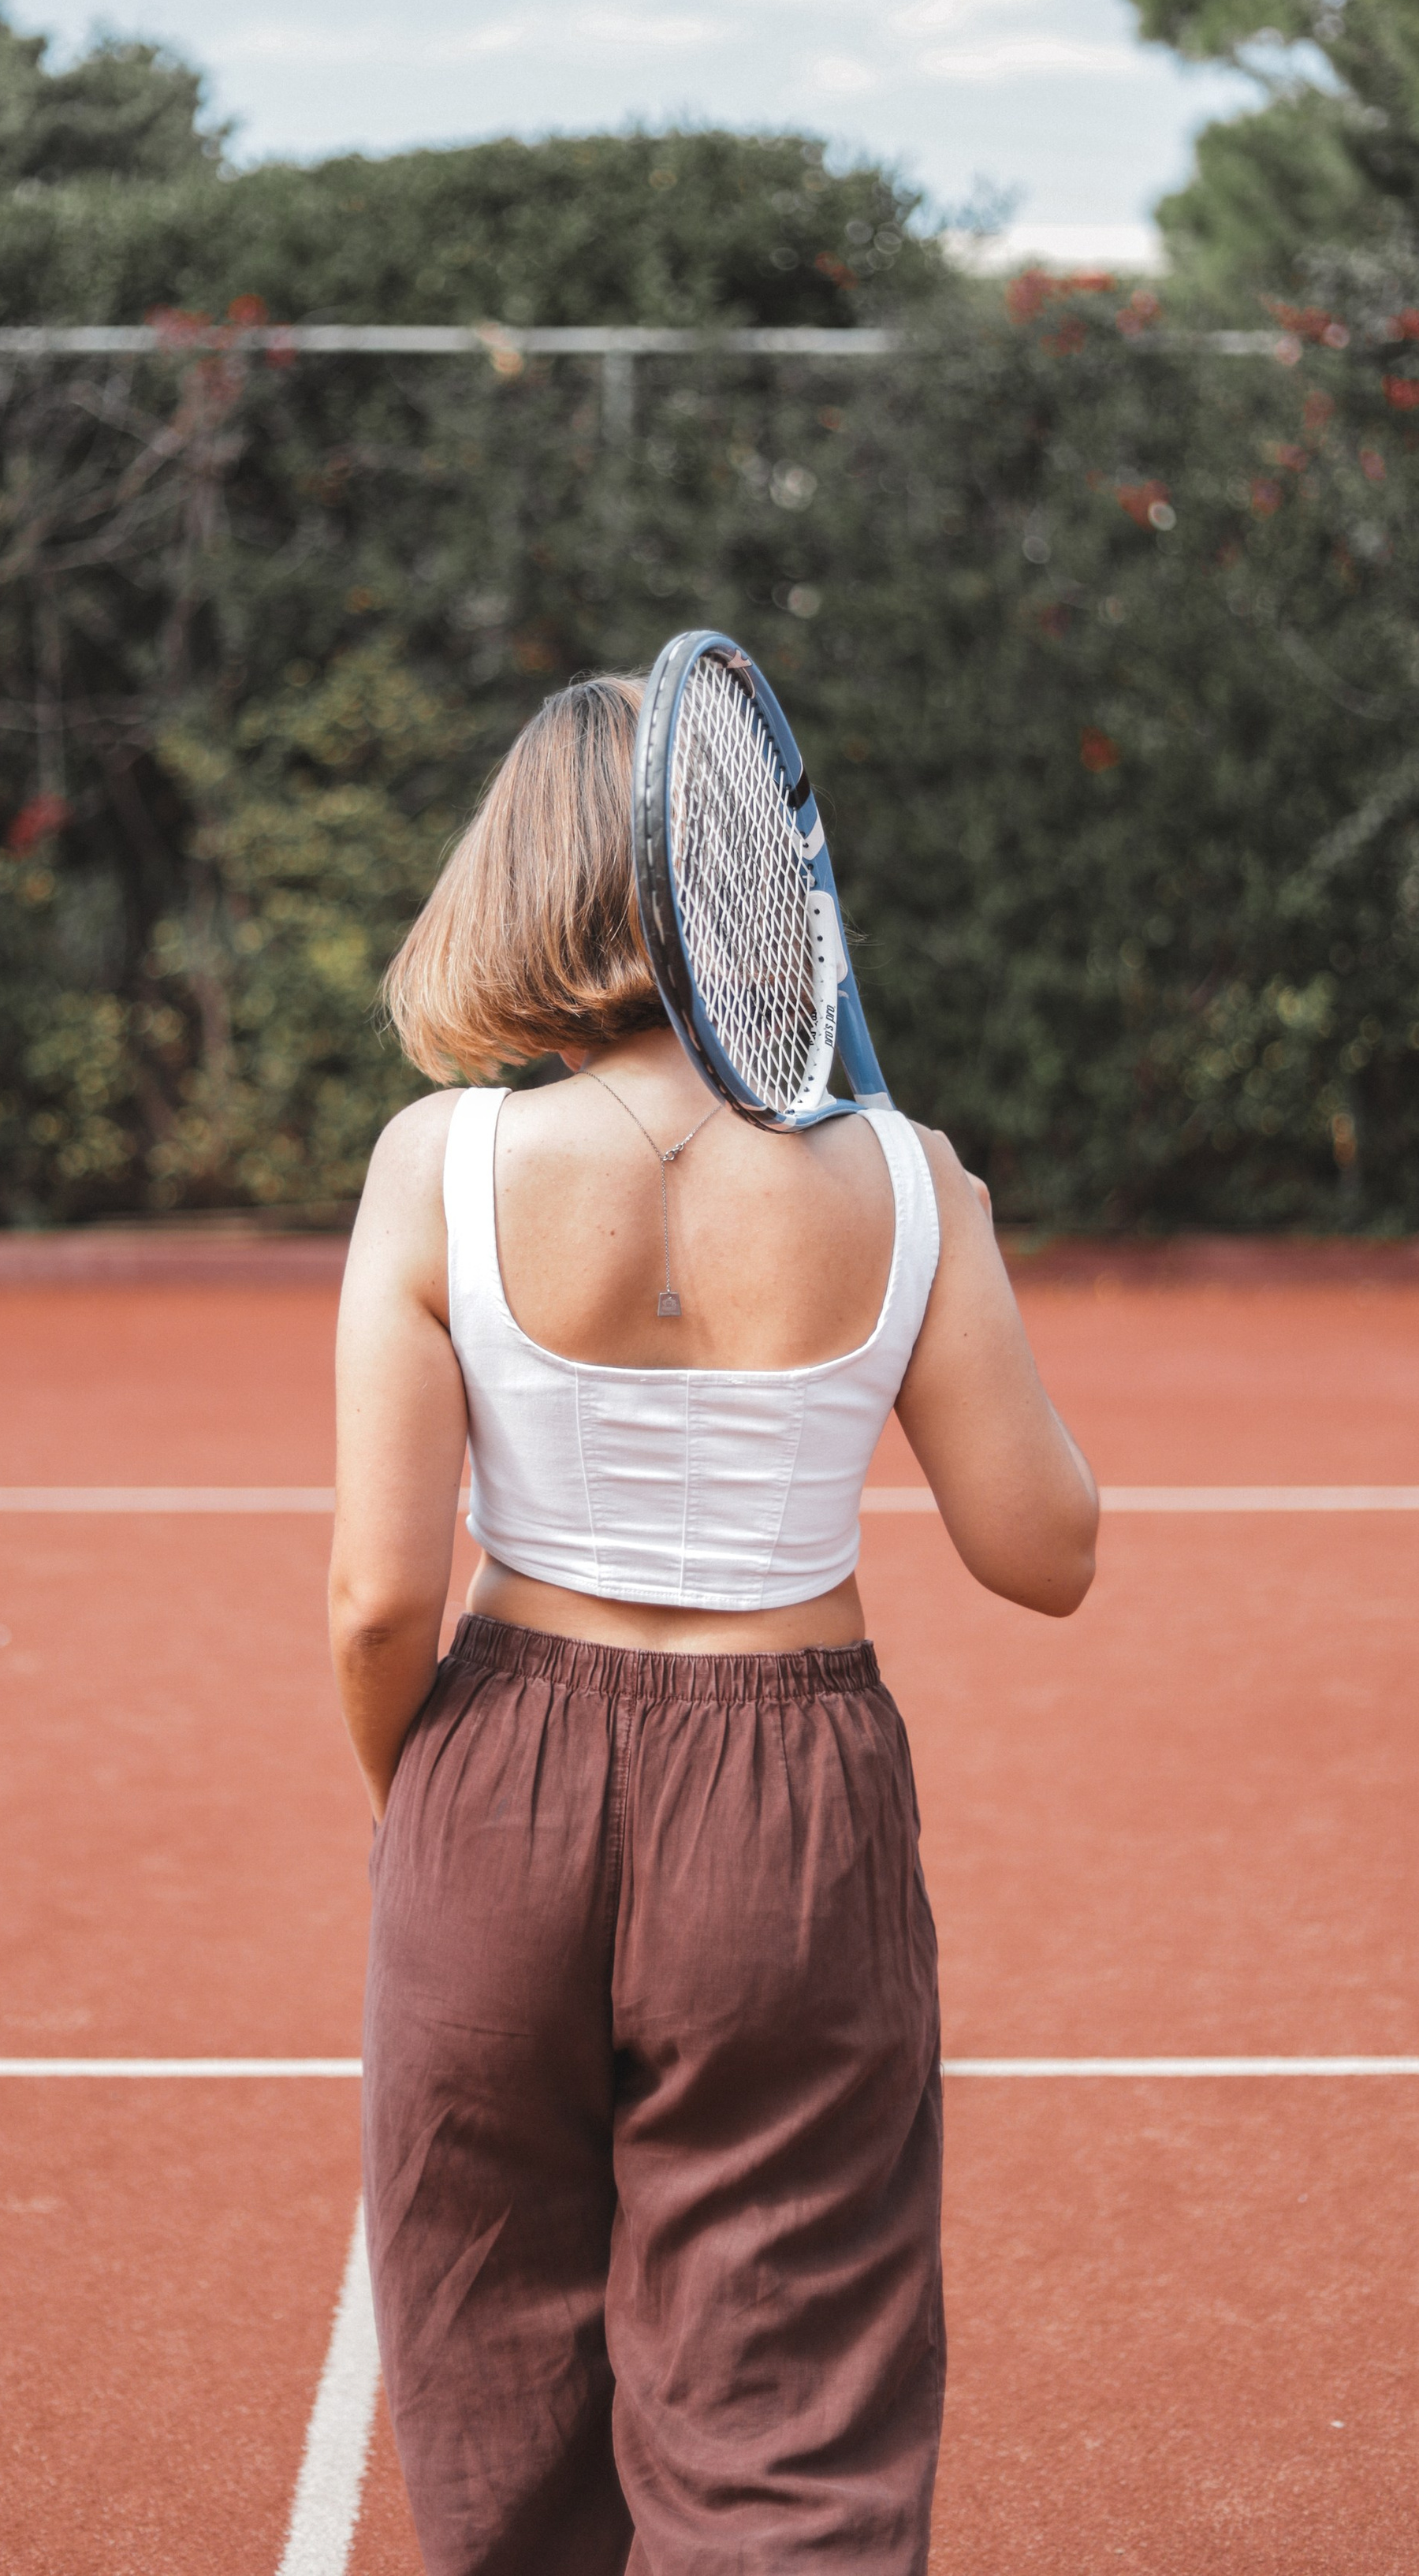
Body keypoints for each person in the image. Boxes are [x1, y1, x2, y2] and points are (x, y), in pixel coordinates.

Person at [330, 673, 1097, 2576]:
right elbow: (1045, 1551)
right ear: (749, 889)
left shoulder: (435, 1161)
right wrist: (956, 1230)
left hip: (495, 1773)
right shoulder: (906, 1184)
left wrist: (418, 1807)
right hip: (788, 1784)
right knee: (791, 2401)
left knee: (491, 2373)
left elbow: (377, 1598)